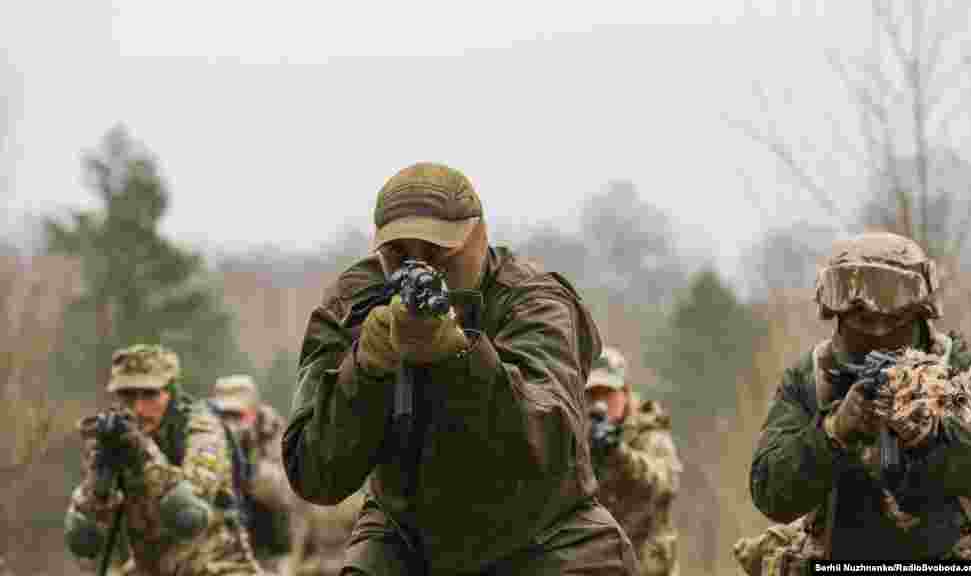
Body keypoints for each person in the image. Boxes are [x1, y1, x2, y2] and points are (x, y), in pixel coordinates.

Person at [282, 162, 638, 575]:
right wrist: (365, 370)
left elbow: (545, 445)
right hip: (409, 539)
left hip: (543, 536)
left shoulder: (534, 302)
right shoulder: (353, 305)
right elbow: (314, 473)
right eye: (398, 254)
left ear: (478, 239)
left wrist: (459, 356)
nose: (418, 268)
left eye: (437, 252)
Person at [739, 232, 971, 567]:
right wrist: (833, 432)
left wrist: (932, 435)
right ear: (839, 316)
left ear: (919, 314)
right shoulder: (811, 378)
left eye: (893, 319)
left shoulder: (958, 368)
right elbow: (770, 492)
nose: (877, 331)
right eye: (862, 318)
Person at [64, 344, 262, 575]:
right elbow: (84, 541)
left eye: (150, 395)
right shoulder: (116, 439)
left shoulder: (201, 429)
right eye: (127, 395)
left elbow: (189, 516)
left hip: (217, 568)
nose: (138, 408)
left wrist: (144, 454)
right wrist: (100, 476)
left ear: (171, 394)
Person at [585, 346, 682, 576]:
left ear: (625, 393)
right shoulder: (579, 437)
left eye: (608, 393)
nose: (600, 403)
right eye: (593, 395)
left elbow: (664, 483)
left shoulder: (650, 432)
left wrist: (619, 455)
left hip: (648, 566)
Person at [210, 374, 295, 572]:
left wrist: (251, 456)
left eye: (238, 415)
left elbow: (282, 493)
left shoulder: (271, 431)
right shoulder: (206, 432)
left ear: (254, 411)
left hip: (266, 543)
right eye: (224, 415)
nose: (231, 423)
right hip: (221, 542)